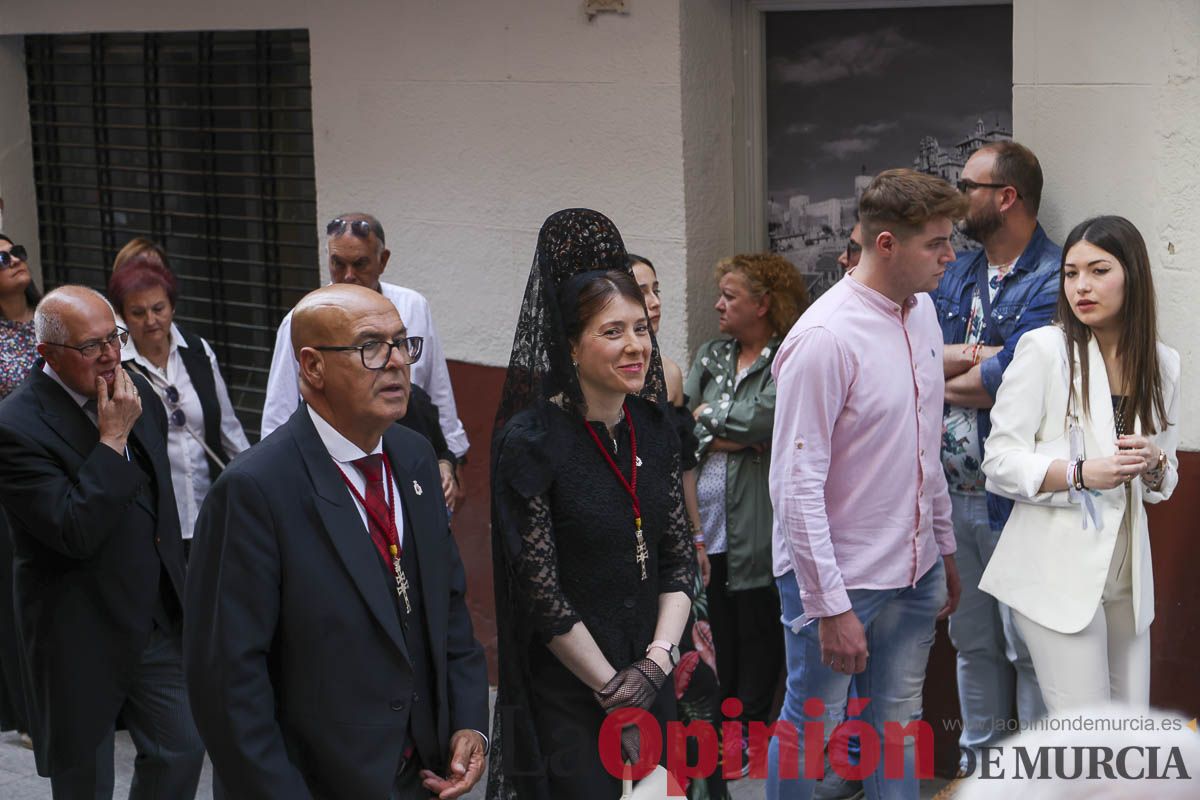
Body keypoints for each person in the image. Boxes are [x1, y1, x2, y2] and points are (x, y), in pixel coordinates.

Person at [185, 282, 489, 799]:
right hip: (317, 782)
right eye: (371, 347)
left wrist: (468, 723)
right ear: (312, 367)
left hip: (424, 775)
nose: (396, 362)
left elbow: (449, 607)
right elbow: (229, 684)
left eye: (402, 343)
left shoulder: (414, 455)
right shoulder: (256, 489)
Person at [767, 169, 964, 800]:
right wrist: (829, 606)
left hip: (914, 571)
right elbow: (795, 485)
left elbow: (922, 449)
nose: (950, 254)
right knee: (810, 728)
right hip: (838, 579)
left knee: (897, 725)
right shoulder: (825, 338)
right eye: (936, 242)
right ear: (886, 244)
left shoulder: (924, 313)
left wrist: (943, 551)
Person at [488, 209, 694, 799]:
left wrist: (656, 663)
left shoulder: (654, 427)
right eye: (612, 332)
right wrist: (614, 695)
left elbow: (677, 560)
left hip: (649, 677)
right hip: (575, 689)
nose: (635, 346)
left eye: (639, 328)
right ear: (571, 346)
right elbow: (541, 593)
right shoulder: (532, 443)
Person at [0, 285, 203, 799]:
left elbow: (161, 500)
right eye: (92, 346)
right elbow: (73, 529)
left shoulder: (134, 390)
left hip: (153, 620)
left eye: (113, 337)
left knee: (182, 747)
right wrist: (111, 442)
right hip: (77, 629)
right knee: (85, 782)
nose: (111, 354)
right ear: (48, 354)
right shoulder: (16, 426)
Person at [979, 215, 1180, 713]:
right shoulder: (1045, 349)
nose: (1081, 286)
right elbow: (999, 461)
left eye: (1098, 270)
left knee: (1131, 733)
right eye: (1071, 273)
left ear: (1132, 274)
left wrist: (1154, 462)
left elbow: (1163, 483)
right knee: (1086, 740)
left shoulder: (1163, 363)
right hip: (1056, 573)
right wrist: (1078, 473)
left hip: (1127, 579)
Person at [931, 141, 1058, 772]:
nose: (958, 197)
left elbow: (1011, 381)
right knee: (971, 644)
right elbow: (916, 354)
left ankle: (1033, 781)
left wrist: (947, 368)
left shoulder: (1056, 275)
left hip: (1020, 501)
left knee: (1027, 648)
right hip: (950, 494)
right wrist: (977, 361)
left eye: (967, 185)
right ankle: (980, 773)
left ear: (1005, 197)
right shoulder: (956, 272)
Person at [261, 212, 468, 509]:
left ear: (382, 261)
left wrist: (453, 457)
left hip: (413, 464)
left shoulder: (413, 306)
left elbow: (438, 391)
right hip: (337, 471)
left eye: (359, 264)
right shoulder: (302, 321)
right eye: (337, 263)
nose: (347, 275)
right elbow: (279, 412)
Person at [685, 253, 808, 740]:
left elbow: (768, 420)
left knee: (758, 636)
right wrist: (733, 432)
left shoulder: (787, 357)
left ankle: (748, 737)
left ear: (763, 304)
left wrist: (709, 420)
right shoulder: (712, 354)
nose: (718, 305)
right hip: (706, 527)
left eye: (730, 297)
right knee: (720, 638)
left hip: (756, 529)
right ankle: (720, 737)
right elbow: (680, 422)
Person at [630, 253, 726, 799]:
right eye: (643, 290)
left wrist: (695, 537)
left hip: (677, 543)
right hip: (640, 548)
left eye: (657, 288)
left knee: (700, 682)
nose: (657, 301)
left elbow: (684, 465)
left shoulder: (668, 371)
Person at [108, 242, 250, 557]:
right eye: (138, 312)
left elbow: (230, 430)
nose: (151, 320)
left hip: (212, 513)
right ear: (122, 317)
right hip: (154, 524)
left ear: (172, 306)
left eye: (158, 309)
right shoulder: (116, 368)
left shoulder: (198, 352)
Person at [0, 233, 41, 744]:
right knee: (20, 594)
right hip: (12, 482)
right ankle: (32, 712)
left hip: (75, 466)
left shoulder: (56, 317)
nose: (12, 262)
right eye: (0, 258)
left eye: (16, 252)